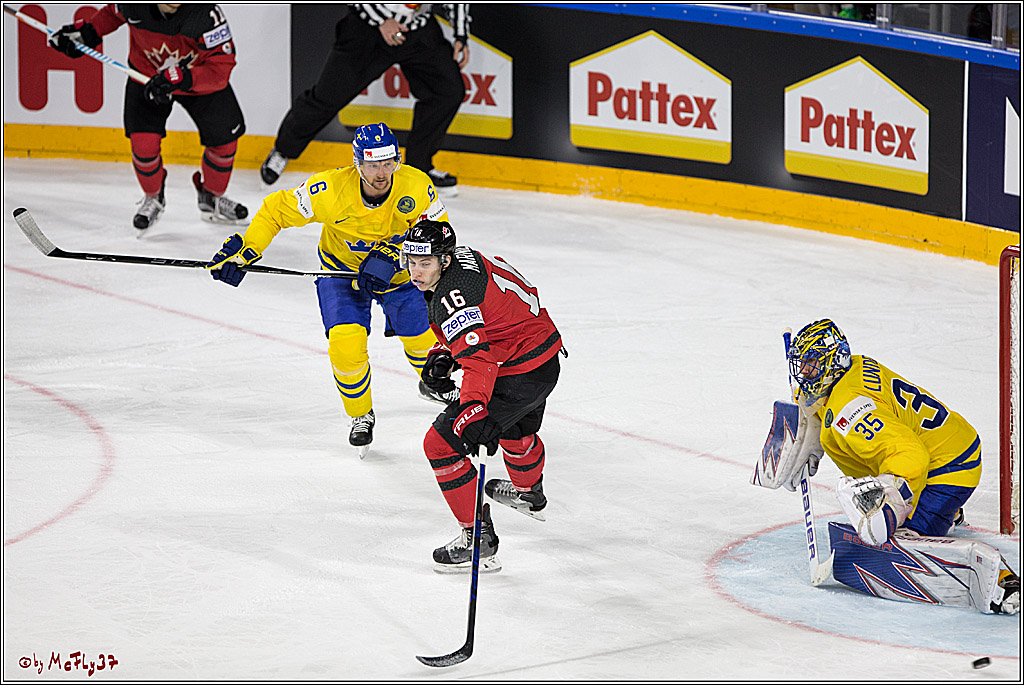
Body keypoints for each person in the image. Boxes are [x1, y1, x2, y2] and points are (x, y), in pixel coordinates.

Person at [205, 123, 456, 457]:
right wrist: (248, 249)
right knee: (345, 346)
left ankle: (431, 383)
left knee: (424, 341)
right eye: (372, 164)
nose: (381, 173)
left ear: (397, 160)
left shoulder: (416, 186)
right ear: (357, 163)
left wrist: (395, 260)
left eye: (387, 163)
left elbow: (440, 235)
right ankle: (360, 415)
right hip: (341, 273)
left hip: (401, 279)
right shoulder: (329, 190)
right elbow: (275, 210)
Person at [765, 318, 1019, 614]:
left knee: (902, 538)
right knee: (838, 439)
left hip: (948, 466)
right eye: (802, 365)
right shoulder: (851, 370)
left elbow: (912, 457)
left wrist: (891, 505)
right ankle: (937, 509)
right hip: (946, 442)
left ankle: (1000, 580)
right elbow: (824, 408)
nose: (804, 373)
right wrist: (812, 436)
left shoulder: (850, 409)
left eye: (811, 364)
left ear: (832, 362)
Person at [402, 219, 566, 573]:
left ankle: (477, 539)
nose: (416, 272)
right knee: (516, 431)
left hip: (515, 370)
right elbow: (484, 316)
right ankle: (528, 494)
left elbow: (479, 360)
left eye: (425, 263)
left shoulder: (449, 294)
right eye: (411, 261)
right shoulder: (464, 259)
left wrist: (473, 408)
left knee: (440, 445)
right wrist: (444, 350)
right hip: (542, 356)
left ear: (443, 261)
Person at [47, 3, 249, 232]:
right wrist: (85, 33)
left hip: (196, 78)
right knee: (143, 145)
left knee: (224, 140)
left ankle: (212, 197)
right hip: (147, 77)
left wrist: (182, 77)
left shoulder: (206, 13)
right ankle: (153, 197)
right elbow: (111, 15)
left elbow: (221, 66)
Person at [259, 4, 470, 195]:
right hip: (367, 29)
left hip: (417, 29)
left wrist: (461, 35)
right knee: (328, 96)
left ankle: (419, 168)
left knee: (447, 91)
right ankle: (283, 150)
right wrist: (382, 20)